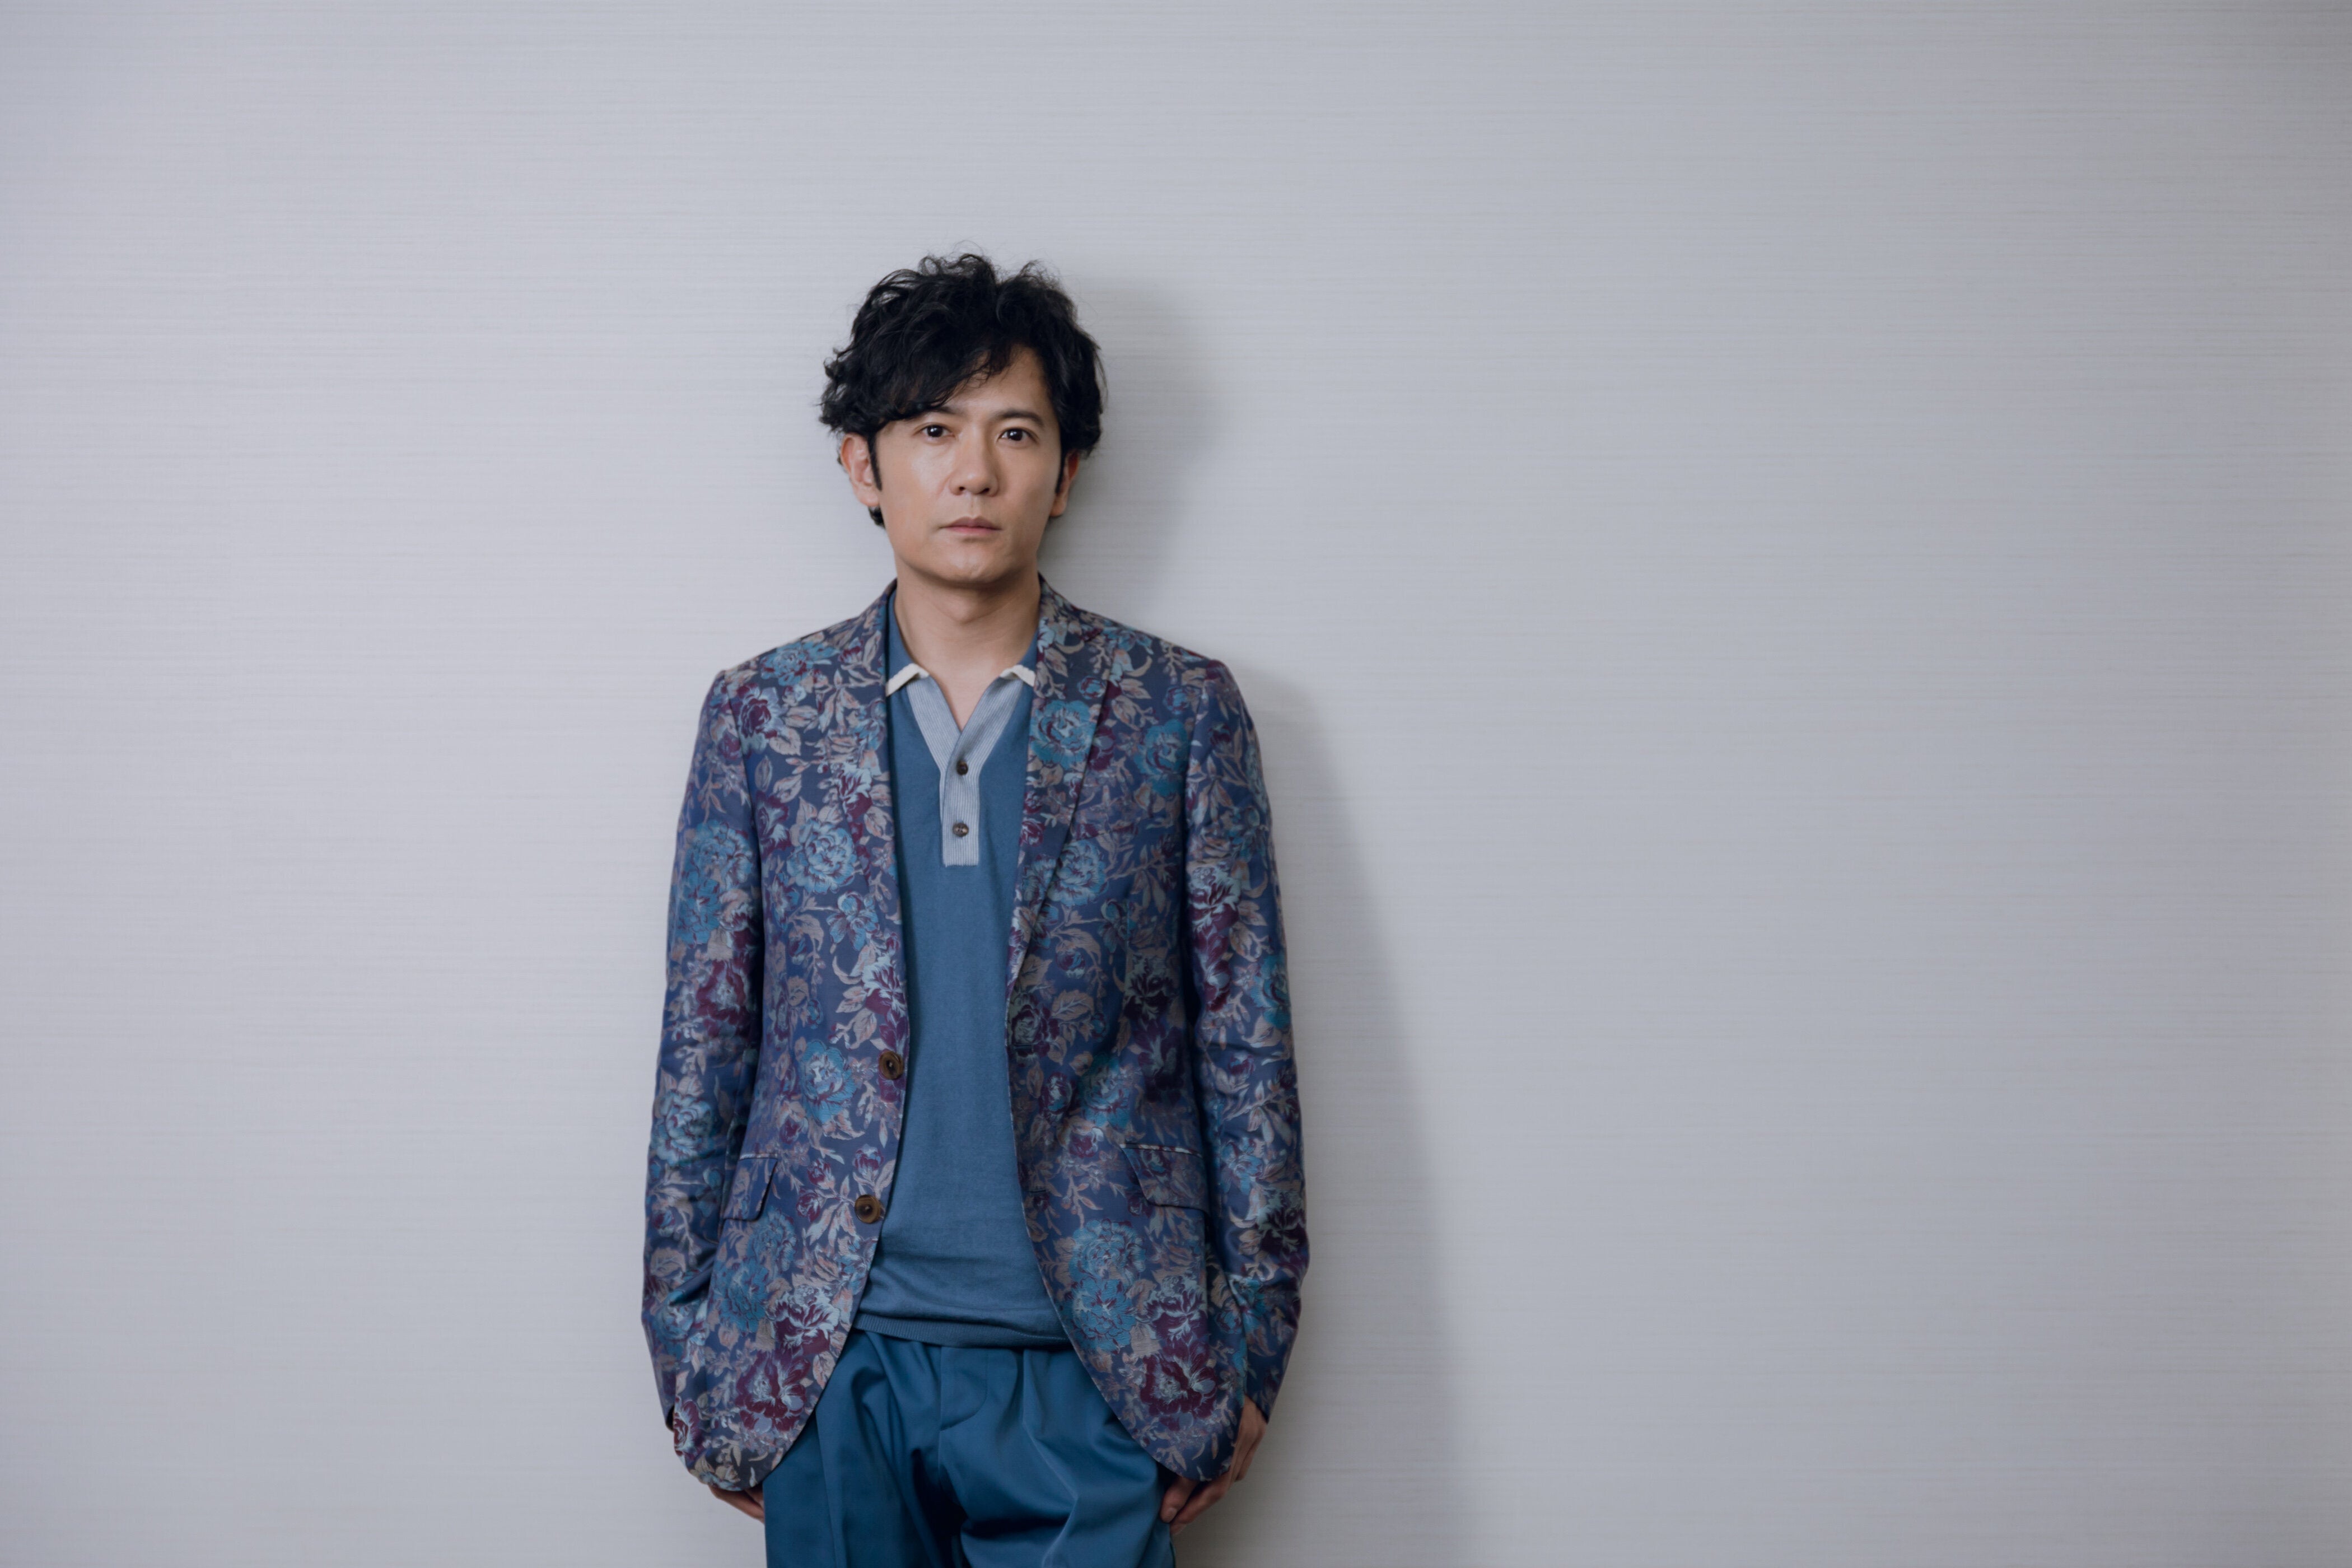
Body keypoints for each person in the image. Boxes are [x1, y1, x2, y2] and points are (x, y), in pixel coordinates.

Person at [641, 253, 1306, 1568]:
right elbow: (703, 1050)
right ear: (863, 465)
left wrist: (1251, 1348)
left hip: (1100, 1363)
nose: (974, 473)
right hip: (828, 1355)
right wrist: (695, 1351)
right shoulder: (764, 716)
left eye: (1015, 433)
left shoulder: (1179, 712)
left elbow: (1249, 1045)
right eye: (934, 431)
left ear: (1066, 471)